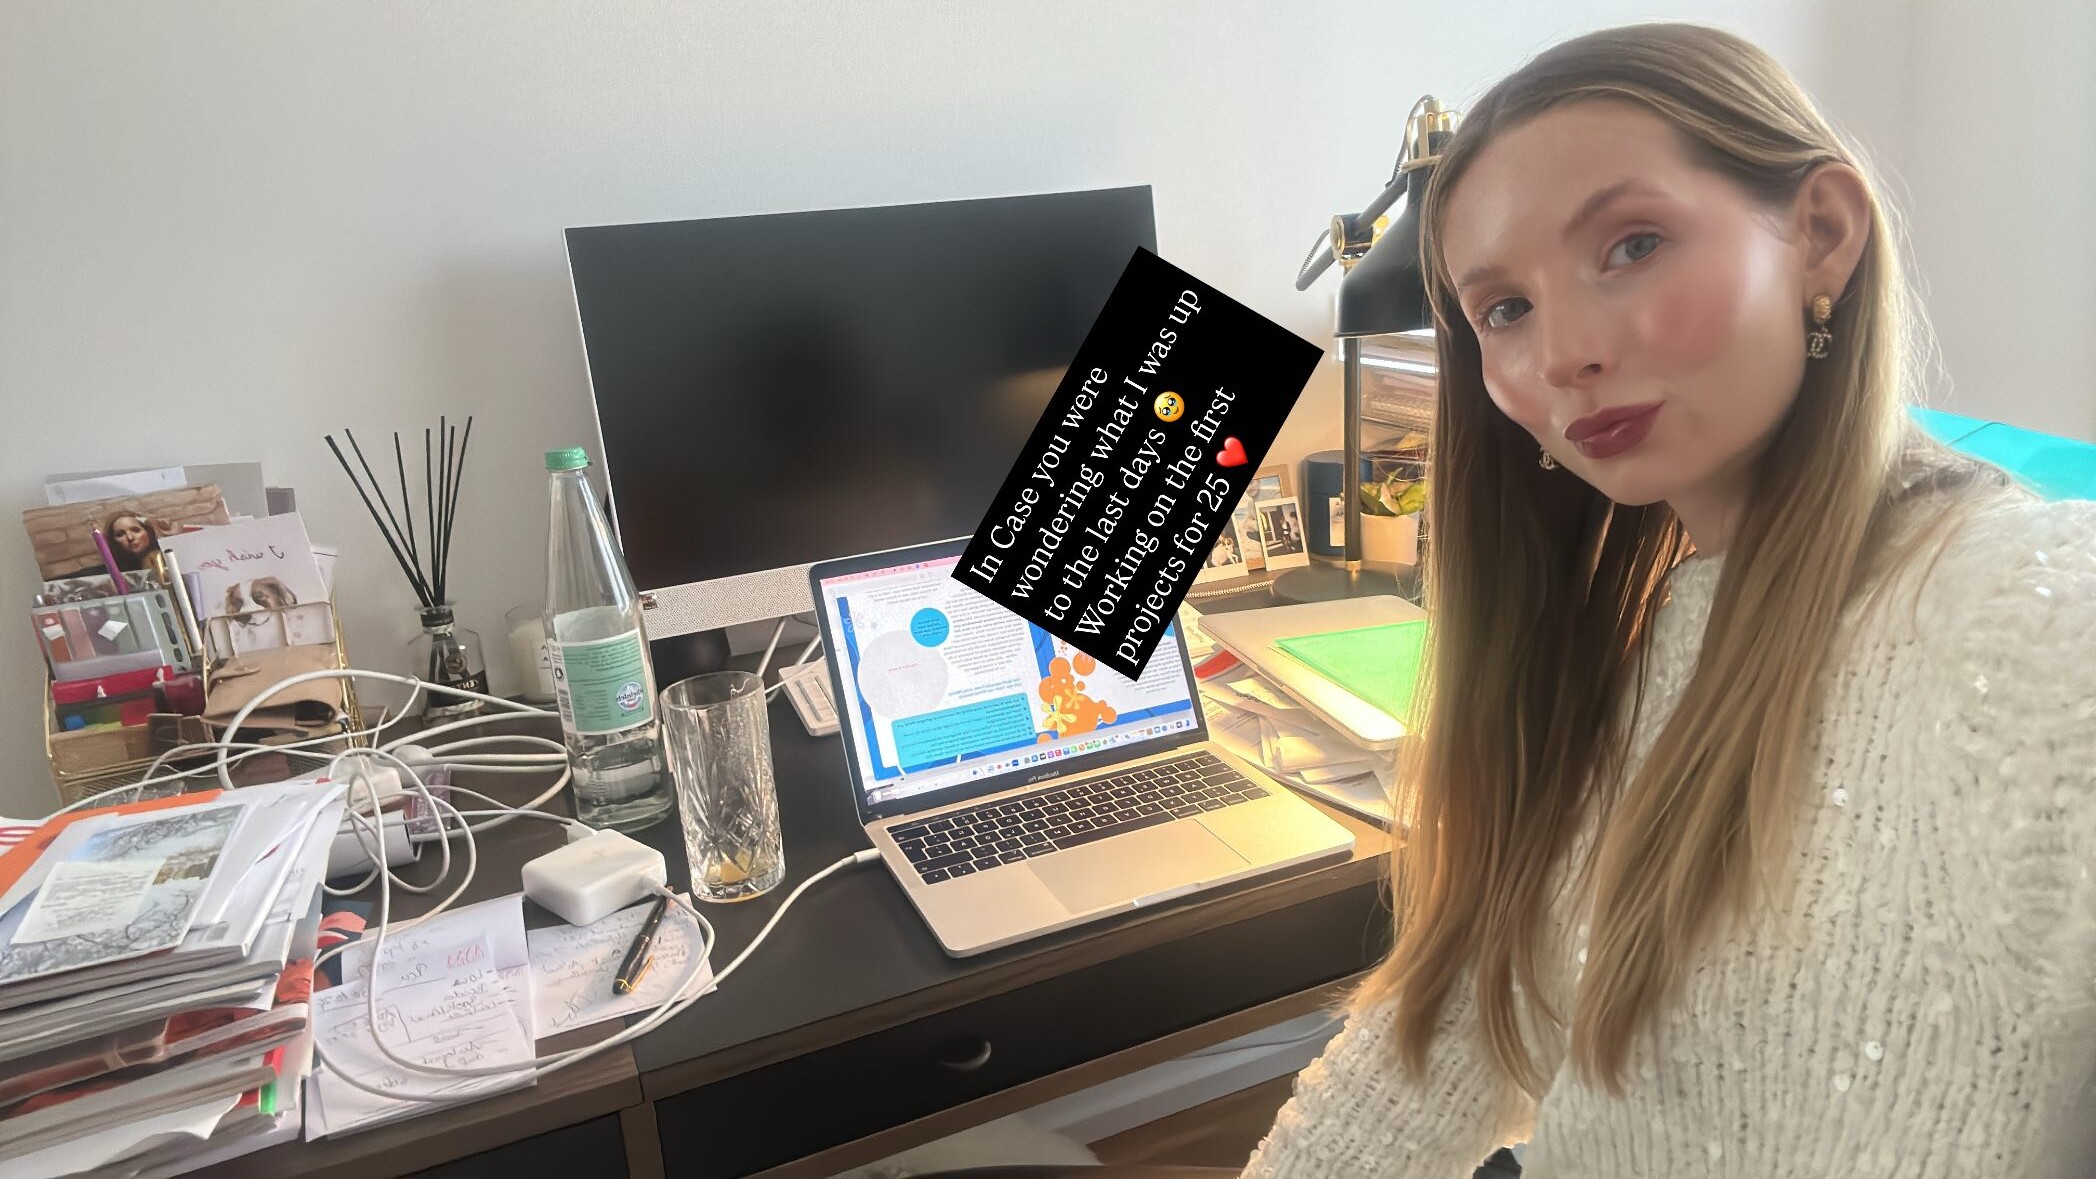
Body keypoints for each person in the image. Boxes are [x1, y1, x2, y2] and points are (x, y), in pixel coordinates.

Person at [1244, 22, 2094, 1179]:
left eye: (1631, 245)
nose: (1563, 353)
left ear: (1820, 233)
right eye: (1504, 310)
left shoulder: (2027, 624)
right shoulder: (1619, 655)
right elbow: (1438, 1037)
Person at [100, 509, 164, 572]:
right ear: (113, 541)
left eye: (136, 530)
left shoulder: (166, 559)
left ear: (148, 532)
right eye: (120, 534)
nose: (130, 538)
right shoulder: (109, 572)